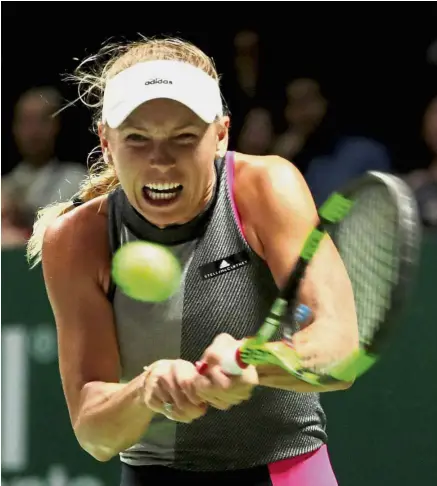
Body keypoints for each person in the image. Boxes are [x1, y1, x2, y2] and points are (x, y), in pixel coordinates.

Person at [27, 37, 359, 486]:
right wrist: (146, 392)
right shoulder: (75, 239)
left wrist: (252, 360)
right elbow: (95, 433)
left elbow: (340, 349)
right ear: (106, 141)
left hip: (285, 470)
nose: (160, 161)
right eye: (137, 139)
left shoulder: (266, 187)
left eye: (184, 137)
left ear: (221, 134)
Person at [273, 78, 391, 207]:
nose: (303, 113)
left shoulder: (363, 153)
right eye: (294, 104)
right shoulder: (284, 159)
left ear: (326, 102)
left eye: (308, 101)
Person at [2, 86, 86, 220]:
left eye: (43, 120)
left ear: (58, 125)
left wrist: (22, 213)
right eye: (26, 121)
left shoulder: (77, 179)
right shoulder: (5, 185)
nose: (34, 131)